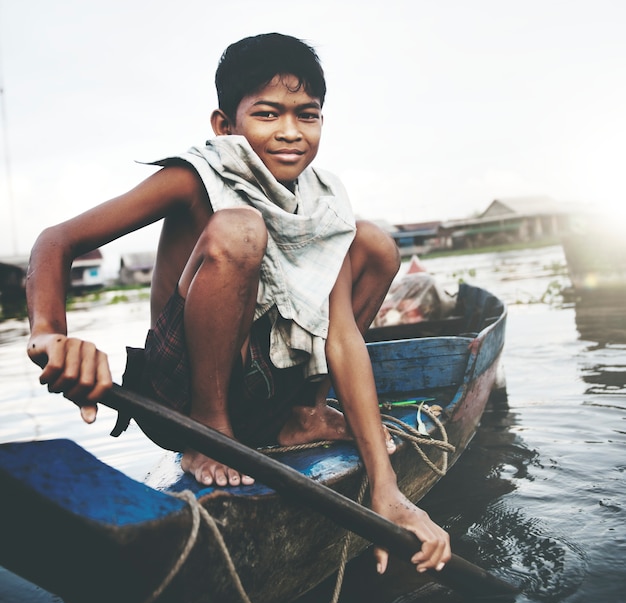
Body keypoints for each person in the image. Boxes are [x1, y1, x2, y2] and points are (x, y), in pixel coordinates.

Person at [26, 33, 450, 574]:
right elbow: (55, 242)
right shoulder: (194, 177)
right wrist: (49, 332)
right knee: (241, 230)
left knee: (374, 243)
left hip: (264, 383)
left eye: (308, 115)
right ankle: (212, 432)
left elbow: (340, 333)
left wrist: (387, 490)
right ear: (225, 125)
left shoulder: (322, 202)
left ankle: (303, 413)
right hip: (182, 394)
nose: (290, 133)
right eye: (268, 114)